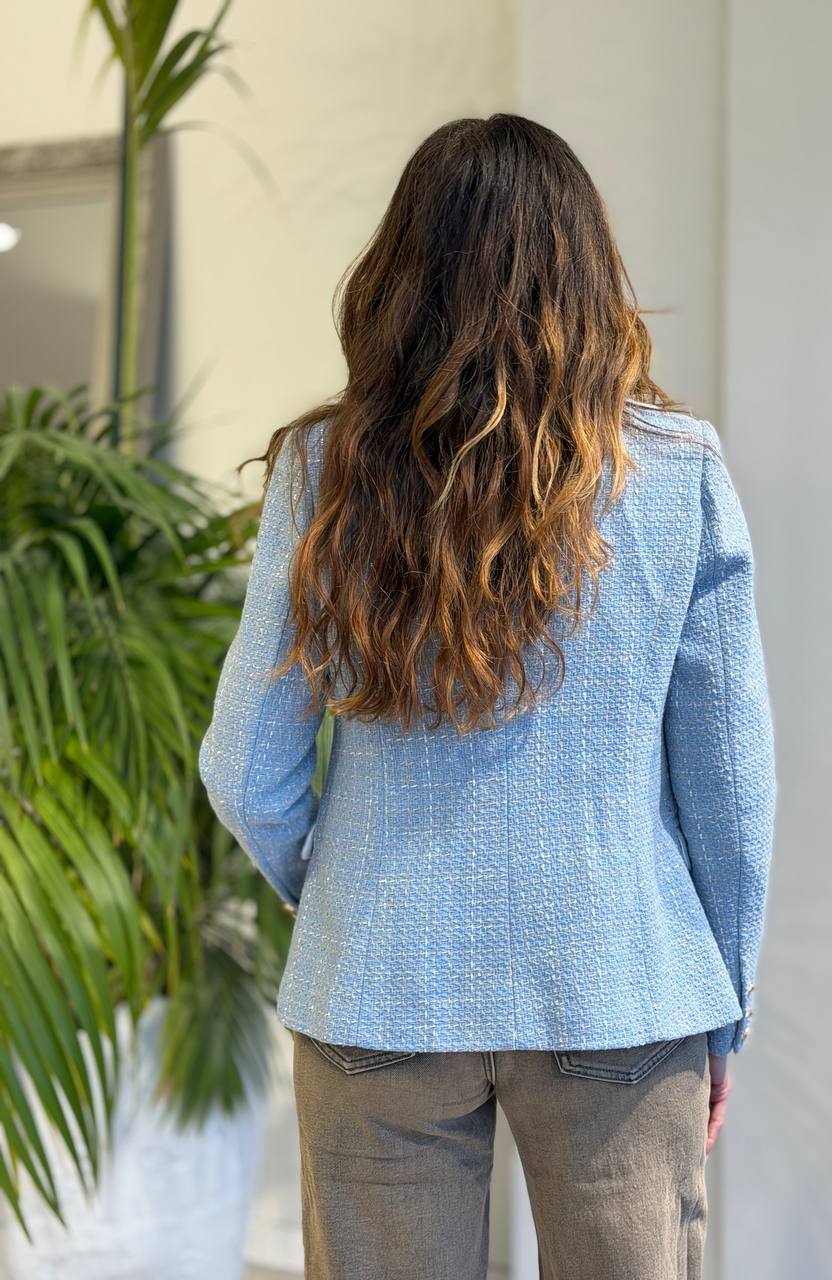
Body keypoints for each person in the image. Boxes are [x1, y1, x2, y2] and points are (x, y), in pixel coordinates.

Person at [198, 113, 777, 1280]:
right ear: (587, 273)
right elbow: (731, 788)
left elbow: (245, 769)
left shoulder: (324, 471)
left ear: (397, 277)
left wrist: (342, 886)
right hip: (622, 983)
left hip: (377, 984)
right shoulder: (678, 472)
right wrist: (726, 1002)